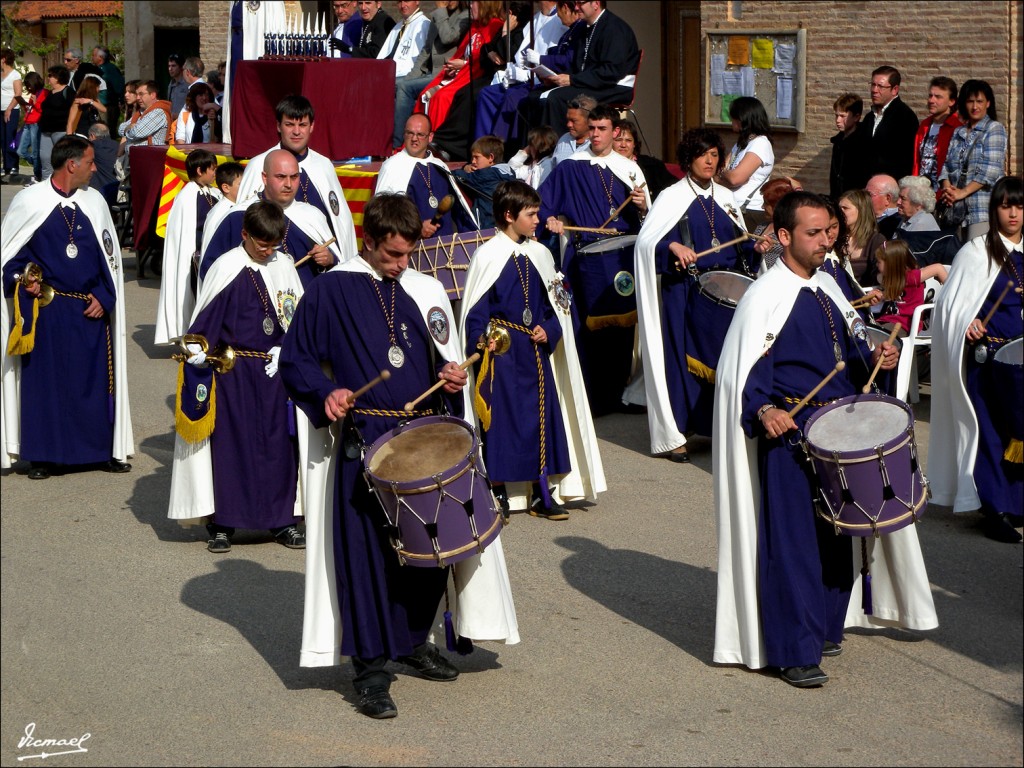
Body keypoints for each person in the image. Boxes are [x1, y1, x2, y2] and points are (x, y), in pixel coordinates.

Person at [279, 193, 519, 720]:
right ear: (368, 241)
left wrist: (450, 376)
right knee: (366, 559)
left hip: (425, 439)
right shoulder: (330, 289)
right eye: (392, 254)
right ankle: (370, 673)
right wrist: (326, 393)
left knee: (434, 549)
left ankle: (411, 641)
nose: (401, 264)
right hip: (366, 441)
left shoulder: (420, 287)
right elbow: (295, 360)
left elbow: (440, 358)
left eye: (408, 254)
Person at [713, 191, 937, 687]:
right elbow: (745, 373)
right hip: (792, 436)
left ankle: (825, 627)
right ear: (785, 236)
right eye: (813, 233)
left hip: (841, 433)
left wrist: (878, 357)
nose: (824, 241)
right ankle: (793, 651)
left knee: (840, 537)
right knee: (792, 544)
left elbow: (853, 354)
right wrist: (765, 409)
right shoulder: (765, 296)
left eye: (829, 232)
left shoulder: (829, 286)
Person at [459, 180, 605, 519]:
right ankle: (498, 492)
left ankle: (542, 493)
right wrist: (481, 340)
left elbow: (559, 306)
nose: (538, 219)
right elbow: (476, 311)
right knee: (501, 424)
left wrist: (549, 329)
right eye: (531, 214)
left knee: (541, 422)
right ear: (510, 215)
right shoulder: (487, 255)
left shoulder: (541, 254)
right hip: (503, 355)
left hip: (535, 354)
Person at [167, 200, 306, 553]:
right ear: (245, 234)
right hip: (233, 375)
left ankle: (282, 521)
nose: (268, 251)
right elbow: (204, 325)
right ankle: (223, 525)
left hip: (275, 376)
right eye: (262, 243)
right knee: (231, 450)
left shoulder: (284, 266)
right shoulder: (226, 267)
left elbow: (298, 321)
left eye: (274, 244)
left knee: (279, 449)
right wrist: (197, 350)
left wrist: (286, 349)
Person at [1, 135, 133, 479]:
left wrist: (105, 296)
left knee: (93, 384)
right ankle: (44, 456)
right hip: (48, 312)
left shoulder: (95, 202)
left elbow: (110, 262)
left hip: (89, 311)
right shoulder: (31, 201)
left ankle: (99, 451)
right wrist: (23, 279)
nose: (95, 169)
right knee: (47, 385)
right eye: (90, 162)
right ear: (71, 165)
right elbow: (10, 258)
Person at [635, 127, 755, 463]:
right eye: (703, 154)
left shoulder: (726, 197)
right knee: (680, 361)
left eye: (714, 154)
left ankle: (719, 428)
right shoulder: (671, 196)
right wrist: (672, 245)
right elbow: (646, 243)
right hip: (684, 291)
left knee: (723, 362)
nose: (709, 160)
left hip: (725, 294)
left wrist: (755, 245)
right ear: (689, 158)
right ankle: (676, 434)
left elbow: (739, 244)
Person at [537, 103, 651, 415]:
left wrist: (642, 206)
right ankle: (591, 399)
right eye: (593, 129)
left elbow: (648, 220)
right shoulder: (570, 167)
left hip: (622, 259)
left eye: (603, 129)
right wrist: (550, 219)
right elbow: (542, 204)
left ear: (616, 132)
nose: (596, 135)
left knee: (621, 330)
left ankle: (616, 394)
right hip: (584, 256)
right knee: (587, 329)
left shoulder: (629, 169)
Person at [929, 175, 1023, 544]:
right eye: (1006, 206)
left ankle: (1016, 502)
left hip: (1021, 362)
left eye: (1019, 206)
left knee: (1019, 432)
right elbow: (950, 304)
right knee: (990, 433)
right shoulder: (976, 251)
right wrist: (967, 322)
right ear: (995, 209)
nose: (1013, 214)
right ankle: (994, 508)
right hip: (989, 360)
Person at [234, 95, 357, 258]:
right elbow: (244, 223)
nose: (297, 132)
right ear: (278, 126)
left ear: (312, 126)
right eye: (289, 124)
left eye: (303, 125)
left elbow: (341, 223)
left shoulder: (323, 165)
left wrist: (334, 258)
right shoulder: (259, 165)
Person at [202, 150, 341, 288]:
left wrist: (329, 259)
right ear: (264, 177)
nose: (288, 184)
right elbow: (212, 271)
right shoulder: (238, 217)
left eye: (294, 177)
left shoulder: (312, 216)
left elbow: (335, 269)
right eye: (281, 177)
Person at [526, 0, 639, 131]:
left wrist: (572, 80)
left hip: (613, 87)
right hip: (591, 82)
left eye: (580, 3)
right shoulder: (584, 28)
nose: (576, 7)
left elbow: (611, 72)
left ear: (596, 4)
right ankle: (535, 143)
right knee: (534, 96)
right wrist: (556, 78)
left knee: (555, 98)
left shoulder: (615, 29)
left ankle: (557, 143)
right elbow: (579, 65)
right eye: (576, 3)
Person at [471, 0, 567, 146]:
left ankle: (501, 148)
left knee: (511, 97)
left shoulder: (560, 20)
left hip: (539, 79)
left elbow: (554, 60)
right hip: (520, 75)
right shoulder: (535, 19)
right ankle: (482, 147)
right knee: (487, 94)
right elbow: (518, 52)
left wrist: (528, 74)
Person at [154, 148, 221, 346]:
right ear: (200, 170)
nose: (215, 173)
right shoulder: (187, 197)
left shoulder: (211, 192)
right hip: (194, 257)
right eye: (212, 169)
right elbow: (186, 233)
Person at [374, 113, 478, 238]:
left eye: (420, 134)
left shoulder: (440, 166)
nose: (414, 139)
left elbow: (459, 213)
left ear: (430, 137)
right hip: (411, 245)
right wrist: (416, 229)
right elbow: (382, 216)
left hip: (446, 245)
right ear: (404, 135)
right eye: (410, 133)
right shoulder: (392, 166)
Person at [416, 1, 503, 138]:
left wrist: (463, 64)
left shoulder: (495, 26)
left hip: (475, 75)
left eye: (473, 2)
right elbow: (463, 53)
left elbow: (484, 59)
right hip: (460, 73)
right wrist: (453, 67)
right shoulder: (475, 26)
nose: (470, 6)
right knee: (425, 93)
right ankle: (420, 136)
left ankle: (436, 139)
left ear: (485, 5)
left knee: (442, 97)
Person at [392, 0, 470, 149]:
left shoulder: (464, 16)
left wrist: (441, 11)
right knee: (393, 84)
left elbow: (448, 37)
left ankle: (397, 144)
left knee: (404, 88)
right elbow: (426, 51)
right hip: (431, 72)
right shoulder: (439, 15)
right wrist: (410, 78)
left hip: (447, 73)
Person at [938, 79, 1008, 242]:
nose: (975, 106)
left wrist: (962, 193)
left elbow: (989, 172)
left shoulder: (994, 128)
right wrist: (949, 191)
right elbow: (946, 166)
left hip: (980, 210)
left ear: (988, 103)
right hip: (954, 211)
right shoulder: (958, 132)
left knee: (977, 253)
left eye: (979, 101)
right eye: (970, 101)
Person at [868, 239, 948, 336]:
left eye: (879, 262)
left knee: (876, 335)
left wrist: (950, 290)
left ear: (891, 264)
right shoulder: (891, 277)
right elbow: (894, 296)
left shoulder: (912, 277)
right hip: (888, 319)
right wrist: (879, 296)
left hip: (905, 324)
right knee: (864, 329)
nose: (876, 264)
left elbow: (938, 268)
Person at [718, 96, 775, 228]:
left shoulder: (760, 144)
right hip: (732, 207)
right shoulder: (741, 144)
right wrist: (726, 176)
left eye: (734, 117)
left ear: (743, 119)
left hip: (749, 211)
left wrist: (726, 175)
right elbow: (718, 172)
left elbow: (735, 179)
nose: (731, 121)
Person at [857, 65, 919, 181]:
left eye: (880, 86)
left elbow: (906, 159)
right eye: (873, 85)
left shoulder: (905, 117)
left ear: (894, 89)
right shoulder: (869, 118)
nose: (874, 90)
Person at [450, 134, 515, 228]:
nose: (473, 161)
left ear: (491, 157)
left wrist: (464, 168)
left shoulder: (486, 175)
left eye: (477, 157)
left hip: (488, 225)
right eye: (472, 157)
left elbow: (454, 175)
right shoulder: (509, 172)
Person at [912, 76, 960, 191]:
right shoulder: (925, 125)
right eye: (930, 96)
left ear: (951, 101)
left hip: (944, 192)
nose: (931, 100)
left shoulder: (958, 128)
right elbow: (917, 161)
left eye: (938, 97)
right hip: (921, 192)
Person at [611, 119, 676, 201]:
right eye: (618, 140)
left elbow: (674, 188)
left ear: (634, 144)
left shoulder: (653, 166)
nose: (623, 145)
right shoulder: (604, 167)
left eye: (628, 140)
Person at [117, 80, 171, 173]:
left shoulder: (158, 112)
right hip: (138, 162)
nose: (138, 98)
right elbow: (120, 129)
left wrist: (129, 129)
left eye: (141, 94)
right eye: (137, 94)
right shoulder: (141, 112)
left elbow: (138, 132)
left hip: (151, 162)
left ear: (153, 95)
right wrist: (129, 128)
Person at [838, 188, 885, 285]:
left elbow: (881, 275)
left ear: (861, 210)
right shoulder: (835, 238)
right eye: (839, 208)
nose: (839, 212)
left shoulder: (875, 240)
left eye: (845, 208)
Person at [375, 0, 431, 78]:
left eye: (406, 1)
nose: (402, 5)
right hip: (390, 74)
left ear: (417, 1)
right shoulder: (398, 26)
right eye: (399, 2)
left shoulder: (423, 24)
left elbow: (419, 62)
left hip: (406, 77)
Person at [37, 66, 75, 180]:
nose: (48, 78)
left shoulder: (68, 91)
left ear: (58, 77)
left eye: (50, 76)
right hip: (46, 131)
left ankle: (64, 182)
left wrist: (70, 129)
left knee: (61, 159)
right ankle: (46, 183)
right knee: (45, 159)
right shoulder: (50, 93)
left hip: (61, 130)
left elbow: (74, 110)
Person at [829, 92, 868, 198]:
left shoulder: (863, 143)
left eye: (843, 116)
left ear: (856, 117)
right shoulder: (838, 142)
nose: (838, 120)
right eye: (836, 116)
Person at [16, 71, 46, 185]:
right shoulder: (33, 94)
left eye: (30, 85)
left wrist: (36, 102)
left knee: (35, 151)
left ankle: (37, 175)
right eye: (27, 85)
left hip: (36, 123)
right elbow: (31, 109)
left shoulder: (44, 93)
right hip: (28, 123)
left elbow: (43, 109)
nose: (28, 88)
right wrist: (24, 104)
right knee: (21, 151)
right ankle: (38, 165)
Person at [506, 124, 558, 189]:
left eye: (531, 145)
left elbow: (543, 190)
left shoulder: (547, 165)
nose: (530, 148)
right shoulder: (534, 166)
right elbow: (510, 170)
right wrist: (525, 152)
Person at [550, 93, 594, 166]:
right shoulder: (564, 140)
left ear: (589, 120)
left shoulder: (597, 143)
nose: (569, 125)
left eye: (574, 121)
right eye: (568, 120)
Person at [1, 48, 22, 183]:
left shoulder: (15, 75)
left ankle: (14, 165)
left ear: (3, 59)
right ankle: (6, 166)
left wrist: (9, 108)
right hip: (1, 110)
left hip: (11, 110)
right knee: (2, 138)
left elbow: (18, 94)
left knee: (10, 137)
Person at [91, 47, 124, 134]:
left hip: (108, 107)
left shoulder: (110, 69)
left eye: (94, 55)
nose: (92, 57)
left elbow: (119, 87)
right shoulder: (96, 69)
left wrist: (121, 101)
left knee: (106, 131)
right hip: (97, 105)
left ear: (100, 57)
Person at [87, 123, 120, 205]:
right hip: (118, 190)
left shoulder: (90, 148)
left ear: (92, 136)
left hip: (97, 193)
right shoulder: (118, 146)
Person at [866, 174, 901, 239]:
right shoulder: (863, 218)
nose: (864, 198)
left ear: (887, 198)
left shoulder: (899, 224)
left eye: (869, 194)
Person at [166, 54, 188, 118]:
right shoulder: (171, 84)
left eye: (173, 66)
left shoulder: (187, 84)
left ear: (181, 67)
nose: (170, 69)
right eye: (169, 66)